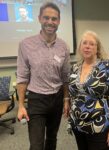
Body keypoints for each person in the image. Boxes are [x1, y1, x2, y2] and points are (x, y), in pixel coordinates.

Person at [17, 2, 70, 150]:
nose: (50, 22)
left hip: (57, 98)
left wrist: (66, 99)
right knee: (36, 145)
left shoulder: (64, 46)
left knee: (52, 139)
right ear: (39, 18)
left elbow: (65, 76)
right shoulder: (26, 44)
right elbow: (22, 77)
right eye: (46, 17)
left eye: (54, 19)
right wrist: (21, 105)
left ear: (58, 21)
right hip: (37, 100)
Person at [68, 31, 109, 150]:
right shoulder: (75, 67)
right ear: (80, 47)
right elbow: (73, 93)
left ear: (97, 48)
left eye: (92, 44)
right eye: (84, 43)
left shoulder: (107, 67)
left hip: (99, 126)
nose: (87, 46)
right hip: (78, 125)